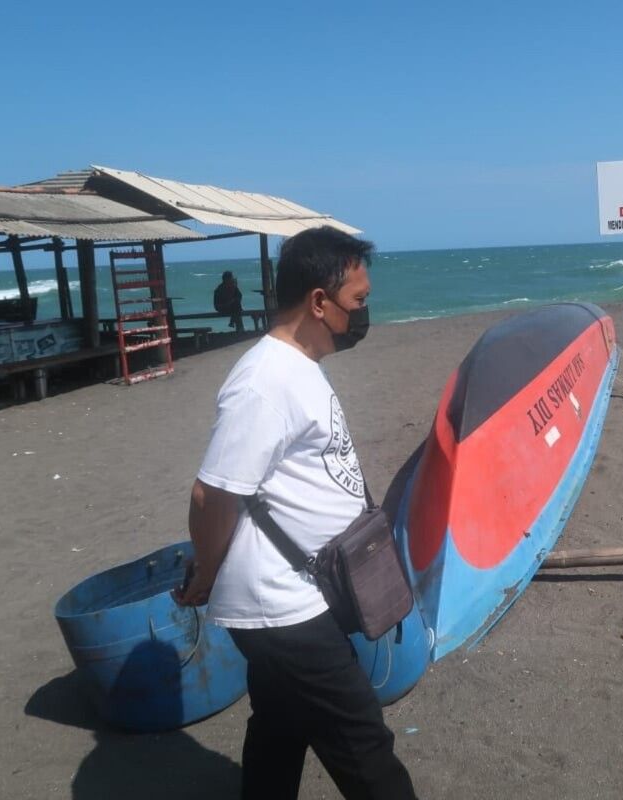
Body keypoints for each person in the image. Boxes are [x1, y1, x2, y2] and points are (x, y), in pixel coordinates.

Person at [179, 227, 417, 800]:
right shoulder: (263, 381)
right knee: (364, 750)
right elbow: (212, 495)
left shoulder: (299, 364)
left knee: (280, 728)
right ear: (318, 302)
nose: (363, 313)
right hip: (282, 607)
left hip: (307, 589)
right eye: (357, 301)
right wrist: (206, 577)